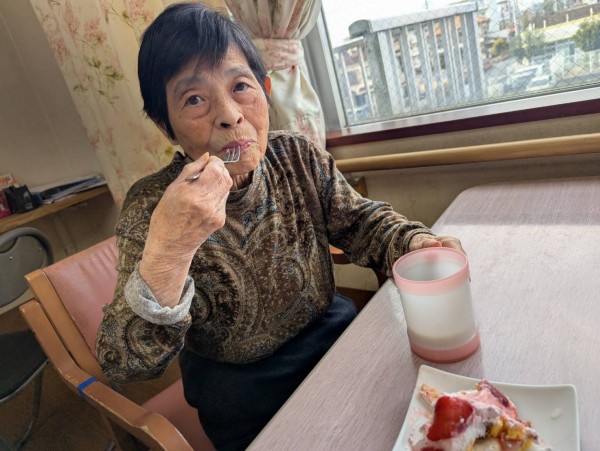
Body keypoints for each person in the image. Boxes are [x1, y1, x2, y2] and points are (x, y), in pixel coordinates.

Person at [95, 3, 463, 450]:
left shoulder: (297, 156)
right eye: (194, 99)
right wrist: (170, 250)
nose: (230, 115)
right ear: (165, 125)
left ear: (265, 91)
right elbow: (124, 361)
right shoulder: (153, 207)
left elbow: (362, 222)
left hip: (336, 346)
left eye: (240, 86)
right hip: (243, 398)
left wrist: (415, 242)